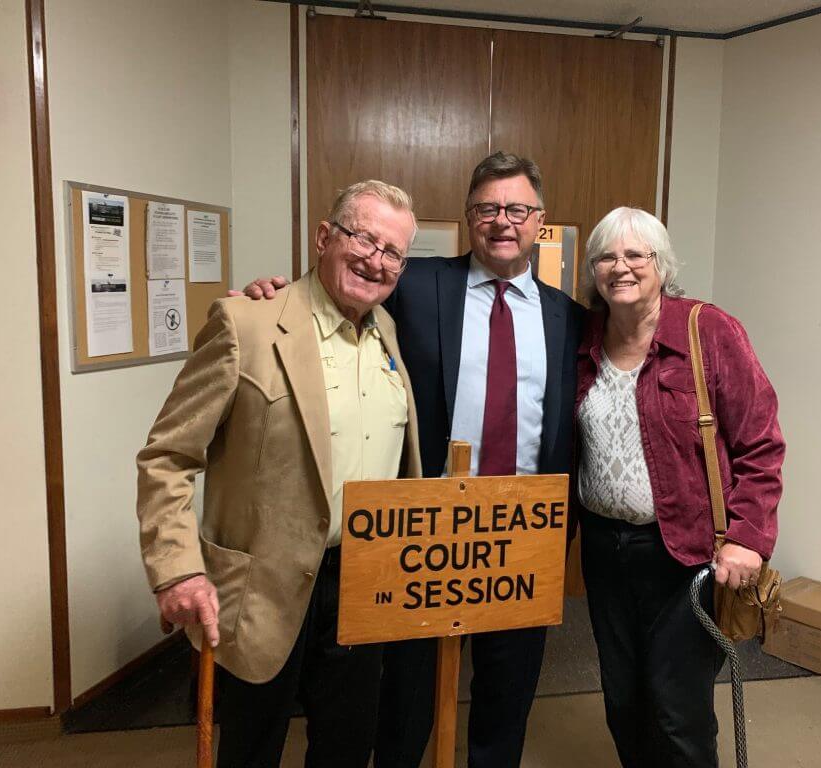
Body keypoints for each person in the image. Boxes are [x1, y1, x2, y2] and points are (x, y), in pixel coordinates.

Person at [240, 152, 584, 768]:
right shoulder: (418, 284)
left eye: (516, 208)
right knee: (405, 700)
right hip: (423, 535)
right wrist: (275, 293)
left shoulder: (570, 318)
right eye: (486, 208)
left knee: (507, 697)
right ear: (468, 216)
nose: (502, 221)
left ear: (540, 221)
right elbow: (336, 295)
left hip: (523, 534)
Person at [137, 180, 423, 768]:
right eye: (364, 238)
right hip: (261, 590)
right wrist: (177, 569)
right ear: (324, 236)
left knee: (346, 747)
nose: (376, 259)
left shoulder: (387, 332)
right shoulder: (246, 323)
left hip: (364, 582)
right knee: (251, 750)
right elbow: (168, 455)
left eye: (393, 251)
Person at [574, 206, 784, 767]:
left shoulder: (708, 331)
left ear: (662, 265)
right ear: (592, 270)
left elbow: (760, 443)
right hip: (604, 548)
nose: (621, 267)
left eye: (635, 255)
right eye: (606, 257)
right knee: (622, 696)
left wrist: (748, 538)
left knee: (678, 706)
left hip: (685, 553)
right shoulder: (584, 337)